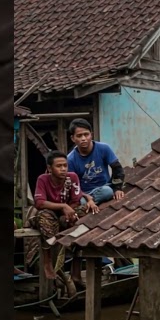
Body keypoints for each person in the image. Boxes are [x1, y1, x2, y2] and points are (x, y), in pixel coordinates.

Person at [65, 118, 124, 286]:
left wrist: (118, 188)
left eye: (86, 134)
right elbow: (73, 187)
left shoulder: (103, 148)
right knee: (81, 206)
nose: (83, 138)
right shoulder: (71, 159)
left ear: (91, 135)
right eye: (79, 136)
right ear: (73, 139)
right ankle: (75, 273)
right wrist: (88, 199)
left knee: (107, 190)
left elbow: (118, 169)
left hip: (103, 188)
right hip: (82, 194)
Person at [27, 151, 98, 288]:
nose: (63, 169)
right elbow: (39, 203)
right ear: (49, 168)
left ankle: (76, 270)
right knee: (44, 217)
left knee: (84, 215)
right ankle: (47, 261)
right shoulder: (43, 179)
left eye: (65, 165)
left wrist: (67, 212)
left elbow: (76, 200)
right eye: (59, 166)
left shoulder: (72, 177)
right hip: (49, 213)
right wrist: (62, 206)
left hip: (66, 214)